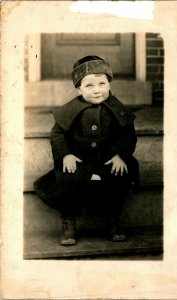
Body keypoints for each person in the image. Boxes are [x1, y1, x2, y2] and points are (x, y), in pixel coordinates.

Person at [34, 55, 139, 246]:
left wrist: (119, 155)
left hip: (108, 160)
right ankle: (68, 223)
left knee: (118, 179)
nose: (97, 90)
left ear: (109, 84)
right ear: (79, 88)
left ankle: (113, 222)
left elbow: (127, 135)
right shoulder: (70, 110)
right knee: (67, 180)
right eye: (89, 86)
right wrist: (66, 155)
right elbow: (58, 134)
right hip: (79, 160)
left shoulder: (117, 109)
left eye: (102, 83)